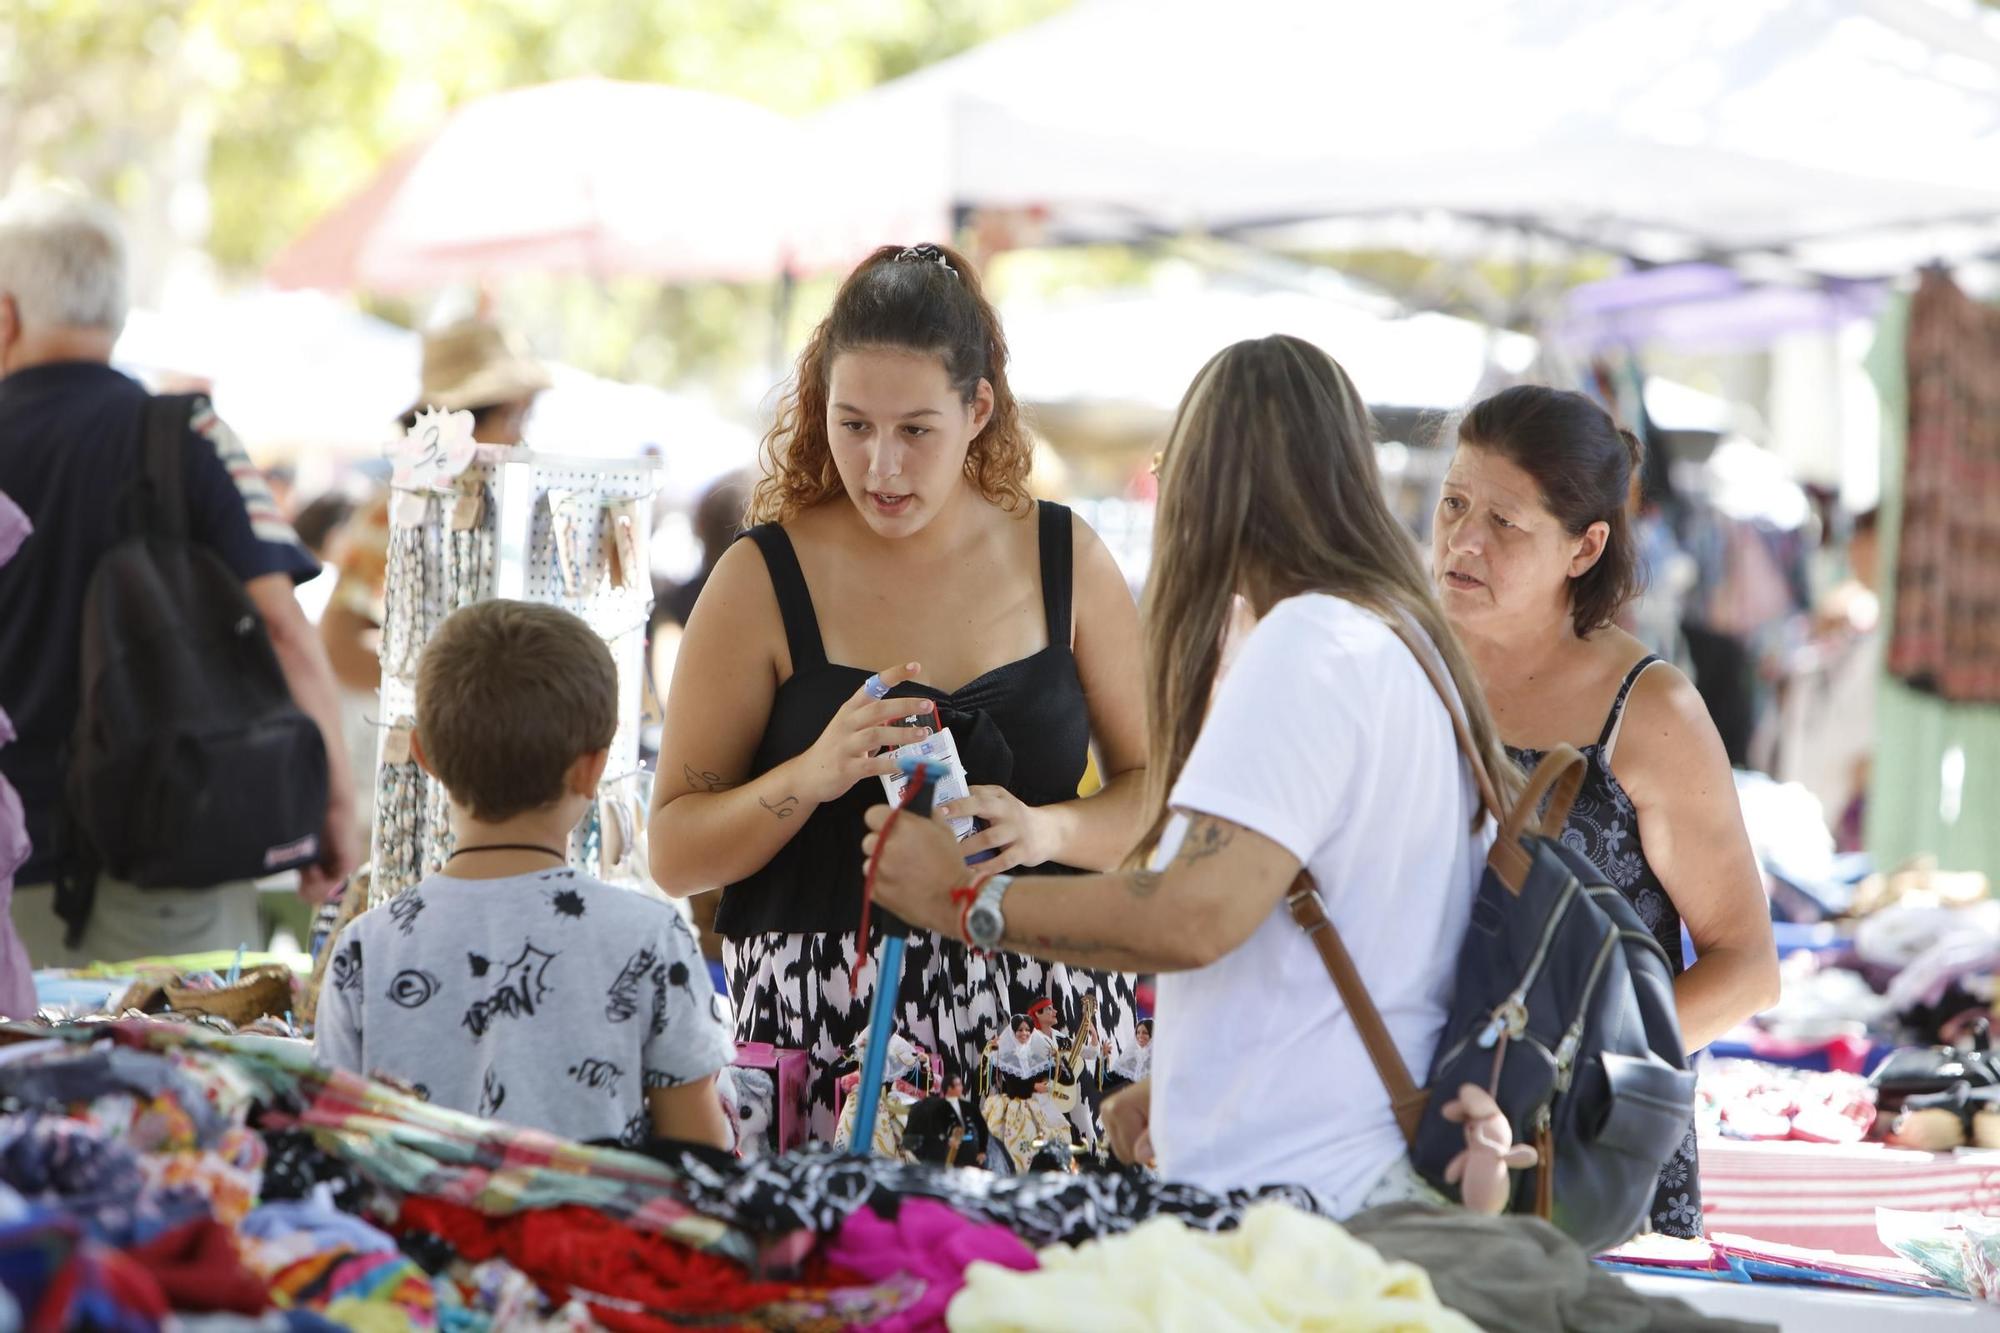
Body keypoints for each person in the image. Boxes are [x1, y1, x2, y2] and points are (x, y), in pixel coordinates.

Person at [866, 335, 1512, 1216]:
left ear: (1209, 482)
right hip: (1333, 1180)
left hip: (1299, 1204)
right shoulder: (1400, 640)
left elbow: (1194, 909)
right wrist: (1182, 1086)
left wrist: (966, 901)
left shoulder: (1309, 642)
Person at [648, 243, 1147, 1142]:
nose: (881, 466)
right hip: (825, 1044)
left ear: (978, 408)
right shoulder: (761, 577)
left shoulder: (1068, 558)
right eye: (853, 425)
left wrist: (1047, 829)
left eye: (916, 429)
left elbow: (1157, 795)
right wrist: (813, 772)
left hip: (1047, 1033)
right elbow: (675, 853)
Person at [1430, 384, 1780, 1237]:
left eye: (1505, 522)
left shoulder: (1648, 709)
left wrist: (1567, 1077)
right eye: (1454, 503)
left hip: (1582, 1162)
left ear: (1585, 547)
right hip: (1414, 1122)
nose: (1464, 540)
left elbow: (1746, 967)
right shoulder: (1408, 665)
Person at [0, 192, 358, 966]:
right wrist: (332, 803)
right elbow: (283, 629)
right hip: (170, 871)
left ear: (6, 315)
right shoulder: (186, 436)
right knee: (175, 1084)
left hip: (9, 869)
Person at [314, 600, 733, 1149]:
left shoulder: (365, 949)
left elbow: (335, 1143)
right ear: (593, 768)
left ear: (424, 756)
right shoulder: (649, 937)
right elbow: (698, 1150)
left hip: (413, 1232)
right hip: (595, 1230)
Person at [980, 1012, 1072, 1174]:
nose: (1024, 1033)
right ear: (1013, 1033)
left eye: (1027, 1030)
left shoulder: (1037, 1058)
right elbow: (986, 1079)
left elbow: (1067, 1079)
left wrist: (1058, 1058)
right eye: (1020, 1030)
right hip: (1011, 1108)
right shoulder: (1005, 1056)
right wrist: (989, 1051)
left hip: (1034, 1108)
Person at [1103, 1018, 1152, 1096]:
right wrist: (1103, 1058)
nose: (1140, 1036)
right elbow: (1104, 1084)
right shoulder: (1131, 1061)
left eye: (1145, 1033)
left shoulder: (1160, 1061)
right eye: (1138, 1032)